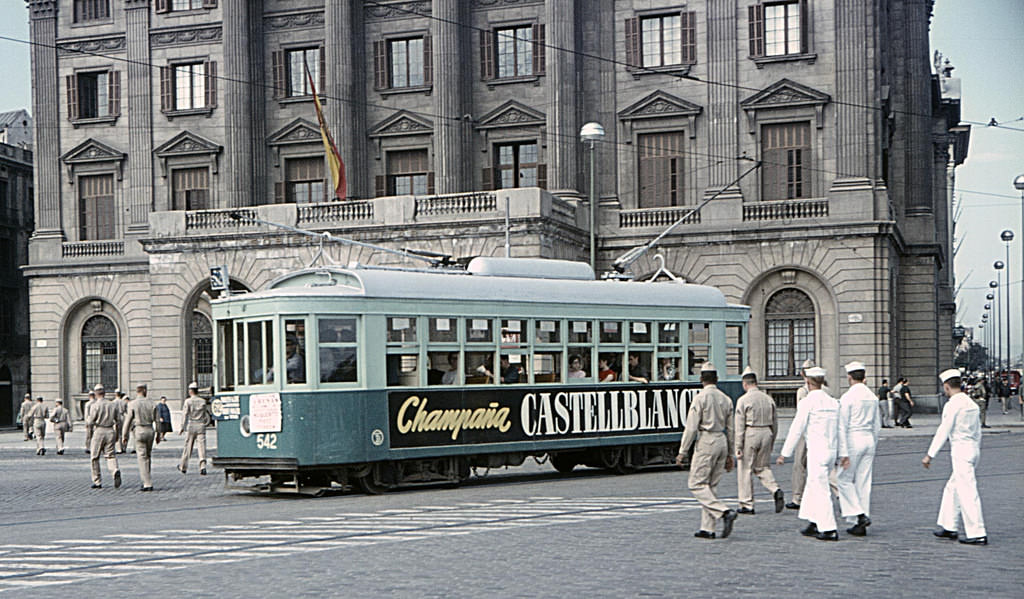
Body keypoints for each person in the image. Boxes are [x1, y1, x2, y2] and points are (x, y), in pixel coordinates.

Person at [923, 369, 987, 545]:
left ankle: (977, 532)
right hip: (973, 448)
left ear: (946, 386)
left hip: (960, 450)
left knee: (967, 492)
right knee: (953, 487)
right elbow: (978, 431)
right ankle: (948, 525)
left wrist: (930, 454)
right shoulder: (970, 404)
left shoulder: (952, 405)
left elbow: (944, 430)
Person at [676, 363, 738, 540]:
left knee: (696, 483)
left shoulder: (700, 398)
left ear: (701, 379)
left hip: (706, 441)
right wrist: (730, 454)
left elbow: (691, 427)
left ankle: (724, 512)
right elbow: (731, 429)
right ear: (716, 379)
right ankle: (707, 528)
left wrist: (683, 451)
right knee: (711, 485)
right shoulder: (726, 399)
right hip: (722, 440)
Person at [777, 366, 840, 541]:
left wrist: (785, 453)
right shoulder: (832, 401)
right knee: (813, 486)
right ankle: (813, 521)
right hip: (831, 450)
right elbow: (840, 429)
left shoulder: (807, 402)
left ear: (807, 381)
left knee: (820, 489)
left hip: (817, 451)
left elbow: (797, 429)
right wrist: (842, 453)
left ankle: (828, 528)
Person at [836, 361, 881, 536]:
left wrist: (843, 452)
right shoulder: (872, 397)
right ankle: (859, 522)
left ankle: (858, 514)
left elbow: (842, 426)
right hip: (869, 439)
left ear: (849, 377)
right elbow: (877, 424)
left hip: (853, 439)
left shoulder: (848, 397)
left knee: (843, 479)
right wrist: (873, 443)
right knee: (864, 481)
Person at [734, 366, 784, 515]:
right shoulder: (768, 398)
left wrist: (738, 446)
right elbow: (775, 422)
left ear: (745, 384)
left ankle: (747, 504)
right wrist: (772, 439)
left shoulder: (743, 400)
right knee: (763, 467)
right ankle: (775, 489)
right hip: (766, 432)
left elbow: (739, 426)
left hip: (751, 433)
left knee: (745, 469)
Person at [123, 384, 159, 492]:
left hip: (139, 430)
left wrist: (124, 435)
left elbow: (128, 421)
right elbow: (157, 421)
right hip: (150, 429)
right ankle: (147, 477)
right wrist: (159, 434)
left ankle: (147, 482)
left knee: (141, 457)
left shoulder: (132, 404)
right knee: (148, 456)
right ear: (145, 391)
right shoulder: (152, 403)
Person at [86, 384, 121, 489]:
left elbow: (90, 422)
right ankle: (114, 470)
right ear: (104, 393)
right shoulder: (112, 404)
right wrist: (117, 434)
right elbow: (119, 421)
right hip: (110, 430)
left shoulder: (95, 405)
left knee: (95, 456)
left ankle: (97, 481)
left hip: (99, 430)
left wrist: (89, 434)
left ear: (96, 394)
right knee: (110, 455)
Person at [178, 382, 212, 475]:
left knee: (188, 446)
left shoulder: (188, 401)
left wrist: (182, 426)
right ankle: (203, 466)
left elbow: (185, 414)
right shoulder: (203, 401)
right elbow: (205, 414)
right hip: (201, 424)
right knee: (202, 446)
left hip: (191, 424)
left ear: (190, 391)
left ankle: (183, 466)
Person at [112, 389, 130, 454]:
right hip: (123, 416)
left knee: (117, 433)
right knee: (124, 433)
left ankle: (119, 448)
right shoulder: (124, 402)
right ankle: (124, 447)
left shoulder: (113, 402)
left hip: (116, 417)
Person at [83, 390, 98, 454]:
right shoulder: (97, 403)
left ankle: (88, 447)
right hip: (96, 421)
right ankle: (94, 447)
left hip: (89, 420)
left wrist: (86, 422)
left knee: (89, 435)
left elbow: (86, 414)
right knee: (95, 435)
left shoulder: (88, 404)